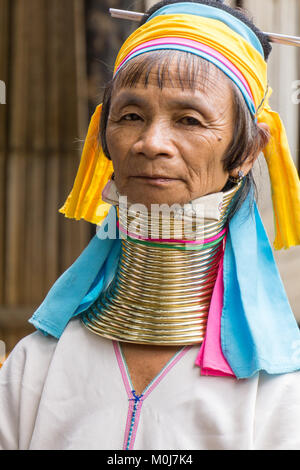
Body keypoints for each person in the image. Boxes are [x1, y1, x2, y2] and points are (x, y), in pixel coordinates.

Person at [1, 0, 300, 450]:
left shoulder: (278, 392)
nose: (151, 143)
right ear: (104, 135)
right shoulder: (35, 368)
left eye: (189, 120)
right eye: (131, 116)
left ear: (248, 150)